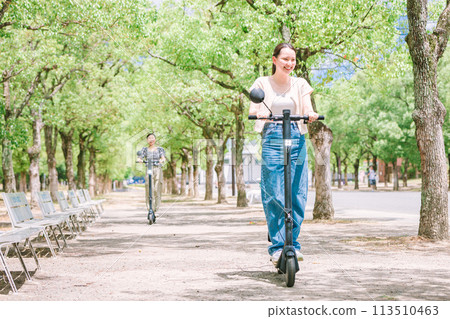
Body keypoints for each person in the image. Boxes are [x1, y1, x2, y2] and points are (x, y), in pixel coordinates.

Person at [248, 43, 319, 265]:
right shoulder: (261, 83)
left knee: (297, 191)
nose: (289, 64)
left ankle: (293, 244)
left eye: (293, 60)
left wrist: (310, 114)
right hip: (272, 137)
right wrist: (262, 116)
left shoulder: (300, 83)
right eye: (285, 59)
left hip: (296, 135)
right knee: (274, 191)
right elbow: (253, 111)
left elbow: (307, 108)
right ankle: (278, 247)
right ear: (275, 60)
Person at [137, 133, 166, 212]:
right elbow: (139, 157)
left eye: (152, 138)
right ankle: (150, 208)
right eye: (149, 138)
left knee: (157, 189)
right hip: (149, 168)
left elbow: (163, 158)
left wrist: (161, 160)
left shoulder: (160, 149)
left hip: (158, 168)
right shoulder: (144, 149)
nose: (151, 139)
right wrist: (139, 159)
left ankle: (156, 209)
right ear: (147, 140)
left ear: (155, 140)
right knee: (149, 188)